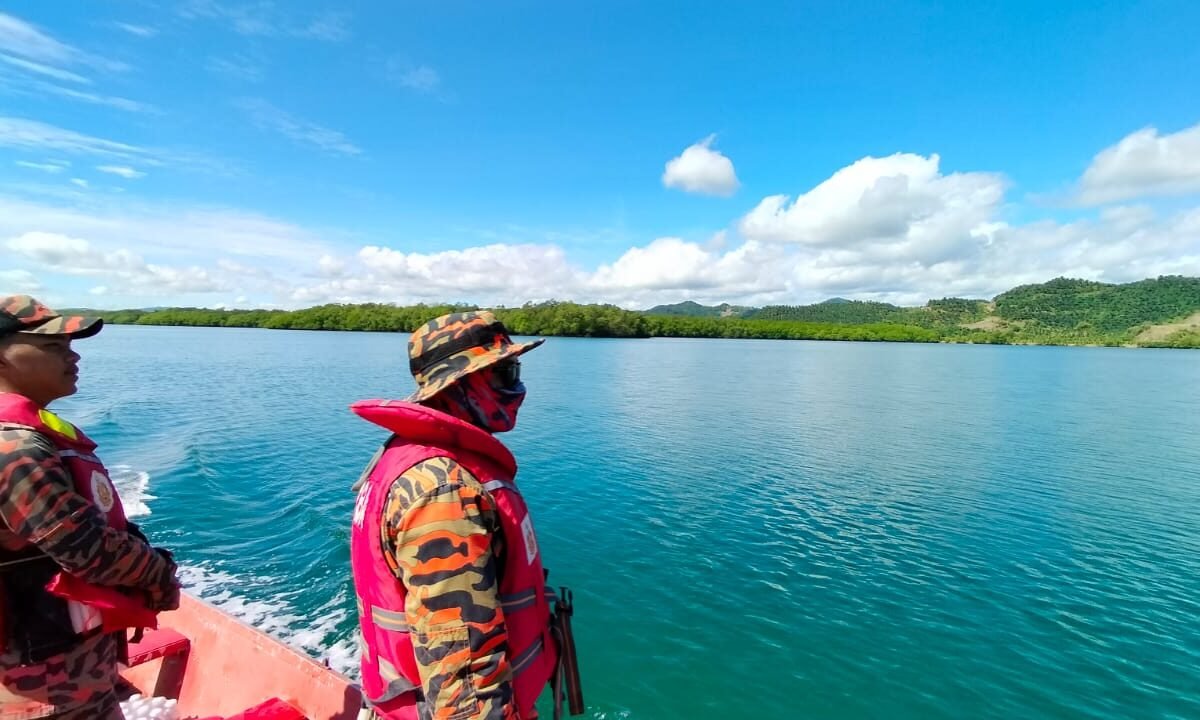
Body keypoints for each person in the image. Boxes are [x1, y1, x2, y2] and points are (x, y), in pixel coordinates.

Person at [349, 311, 581, 720]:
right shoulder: (445, 492)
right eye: (505, 372)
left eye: (516, 369)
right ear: (460, 382)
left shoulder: (407, 457)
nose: (519, 388)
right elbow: (463, 676)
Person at [0, 295, 181, 720]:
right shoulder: (14, 447)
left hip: (66, 675)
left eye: (69, 346)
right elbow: (87, 550)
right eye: (52, 348)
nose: (73, 356)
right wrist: (159, 574)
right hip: (44, 686)